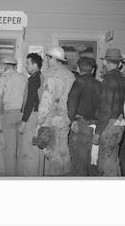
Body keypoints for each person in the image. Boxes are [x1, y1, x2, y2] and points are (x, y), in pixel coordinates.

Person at [37, 46, 75, 176]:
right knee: (64, 150)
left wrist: (40, 120)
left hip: (52, 119)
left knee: (53, 153)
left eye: (48, 57)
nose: (46, 60)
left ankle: (55, 178)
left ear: (53, 59)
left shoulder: (52, 75)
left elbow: (47, 99)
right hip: (66, 119)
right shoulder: (71, 75)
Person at [93, 49, 125, 176]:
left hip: (109, 125)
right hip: (121, 124)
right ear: (119, 64)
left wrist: (97, 132)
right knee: (114, 158)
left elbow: (105, 109)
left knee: (105, 162)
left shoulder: (108, 80)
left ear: (105, 62)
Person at [67, 57, 101, 176]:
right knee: (93, 162)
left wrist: (72, 120)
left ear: (78, 68)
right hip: (96, 127)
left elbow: (71, 102)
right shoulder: (99, 84)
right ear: (92, 71)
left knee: (79, 163)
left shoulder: (78, 82)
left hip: (80, 126)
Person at [0, 56, 27, 176]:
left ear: (6, 65)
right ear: (15, 66)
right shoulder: (24, 78)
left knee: (10, 148)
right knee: (21, 147)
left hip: (8, 113)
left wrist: (1, 113)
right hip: (23, 114)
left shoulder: (3, 78)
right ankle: (20, 174)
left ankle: (10, 175)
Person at [18, 53, 45, 176]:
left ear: (35, 65)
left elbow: (31, 101)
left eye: (28, 63)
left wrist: (24, 121)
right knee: (37, 150)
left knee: (29, 151)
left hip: (32, 116)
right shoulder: (41, 77)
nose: (26, 66)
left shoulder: (34, 79)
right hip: (38, 115)